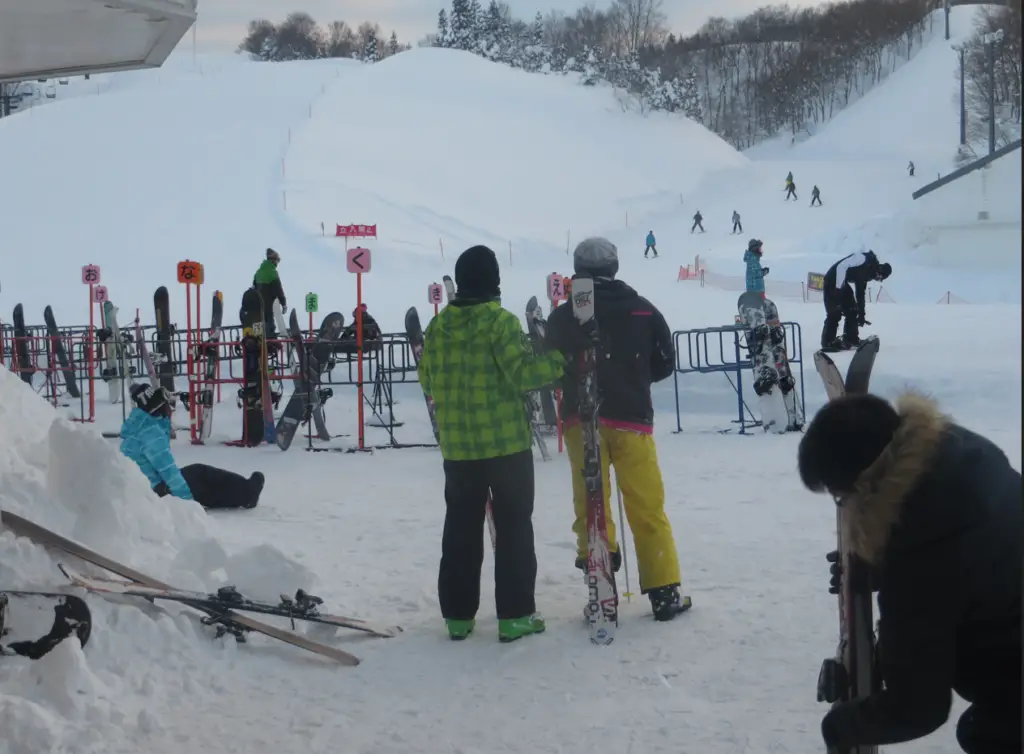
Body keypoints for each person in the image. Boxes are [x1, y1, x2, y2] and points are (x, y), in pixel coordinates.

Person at [798, 392, 1021, 754]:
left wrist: (841, 726)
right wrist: (882, 565)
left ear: (865, 484)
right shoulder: (955, 456)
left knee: (989, 733)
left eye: (841, 498)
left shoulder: (919, 554)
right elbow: (966, 558)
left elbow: (917, 707)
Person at [418, 245, 565, 643]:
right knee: (514, 526)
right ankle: (515, 615)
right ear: (494, 281)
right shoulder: (500, 322)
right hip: (505, 446)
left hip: (459, 449)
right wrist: (560, 361)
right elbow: (523, 375)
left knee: (461, 528)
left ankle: (458, 617)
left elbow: (428, 382)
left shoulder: (439, 327)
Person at [545, 238, 690, 621]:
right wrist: (632, 375)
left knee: (591, 500)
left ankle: (599, 575)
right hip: (631, 417)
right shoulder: (642, 310)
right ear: (614, 268)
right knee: (646, 504)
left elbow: (550, 364)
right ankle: (663, 589)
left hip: (582, 418)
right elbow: (664, 362)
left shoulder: (564, 316)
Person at [121, 384, 264, 510]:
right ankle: (247, 494)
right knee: (200, 476)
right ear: (158, 407)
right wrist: (186, 504)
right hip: (156, 492)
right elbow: (168, 471)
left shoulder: (138, 428)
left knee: (197, 477)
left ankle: (243, 491)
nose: (169, 409)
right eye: (166, 404)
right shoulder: (151, 433)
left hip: (145, 490)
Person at [821, 250, 892, 350]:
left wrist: (862, 314)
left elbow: (860, 294)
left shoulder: (867, 273)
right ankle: (828, 342)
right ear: (879, 269)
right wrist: (837, 289)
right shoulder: (862, 259)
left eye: (880, 279)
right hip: (832, 280)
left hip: (842, 284)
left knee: (852, 310)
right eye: (879, 277)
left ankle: (851, 338)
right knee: (834, 313)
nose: (877, 279)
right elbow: (842, 266)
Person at [253, 248, 287, 342]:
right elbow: (279, 290)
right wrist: (283, 303)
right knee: (269, 326)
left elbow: (254, 287)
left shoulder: (258, 272)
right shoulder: (272, 273)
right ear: (273, 260)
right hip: (268, 305)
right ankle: (269, 345)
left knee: (258, 327)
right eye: (277, 261)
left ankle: (257, 345)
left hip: (257, 306)